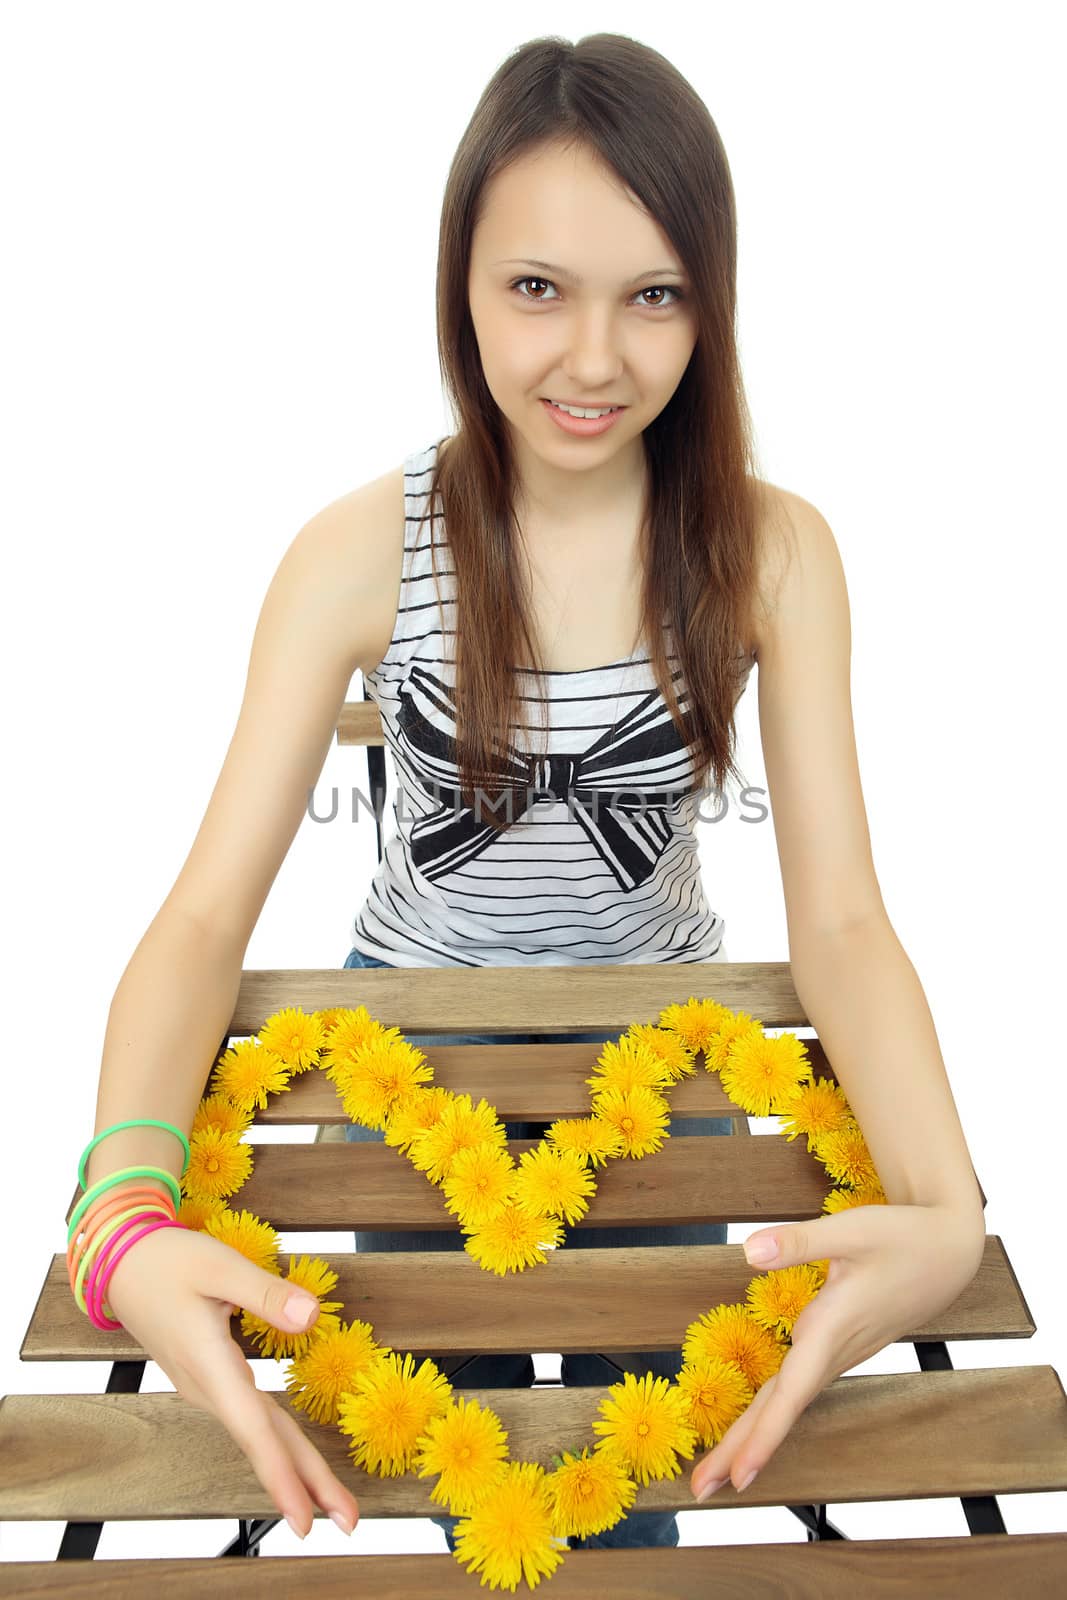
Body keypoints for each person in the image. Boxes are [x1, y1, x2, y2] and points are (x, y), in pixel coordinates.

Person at [85, 30, 986, 1559]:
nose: (592, 357)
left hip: (665, 1069)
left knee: (640, 1486)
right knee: (454, 1465)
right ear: (460, 288)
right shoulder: (357, 551)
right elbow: (201, 915)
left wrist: (948, 1211)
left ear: (712, 301)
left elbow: (838, 913)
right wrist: (121, 1219)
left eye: (654, 295)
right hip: (410, 1059)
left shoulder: (773, 554)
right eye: (536, 288)